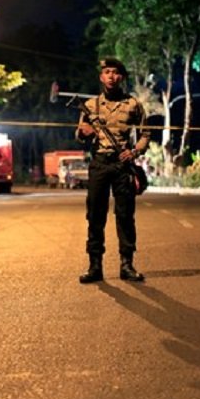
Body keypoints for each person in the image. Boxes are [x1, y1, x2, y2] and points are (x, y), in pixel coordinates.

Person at [75, 57, 150, 284]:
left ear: (122, 77)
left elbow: (146, 134)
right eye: (107, 72)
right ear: (101, 77)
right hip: (99, 164)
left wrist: (135, 151)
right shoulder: (90, 106)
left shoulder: (133, 105)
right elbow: (79, 135)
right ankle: (94, 265)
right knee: (95, 216)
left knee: (125, 215)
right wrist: (83, 132)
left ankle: (127, 265)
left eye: (115, 72)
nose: (111, 76)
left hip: (122, 165)